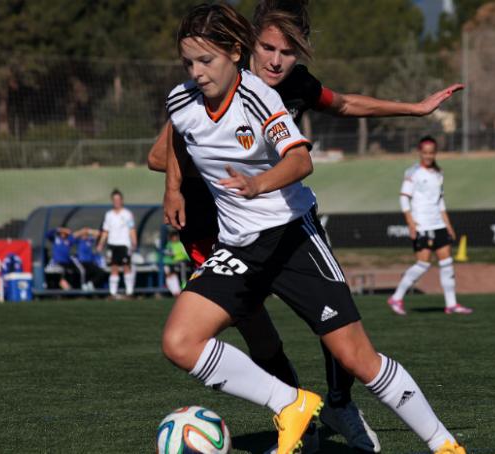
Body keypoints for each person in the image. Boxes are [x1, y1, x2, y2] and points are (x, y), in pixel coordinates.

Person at [148, 2, 464, 452]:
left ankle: (443, 443)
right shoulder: (181, 99)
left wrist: (259, 183)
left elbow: (301, 158)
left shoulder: (261, 97)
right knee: (180, 341)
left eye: (206, 60)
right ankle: (291, 403)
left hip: (292, 238)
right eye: (188, 62)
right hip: (237, 247)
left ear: (234, 53)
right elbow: (179, 137)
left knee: (357, 357)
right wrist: (173, 189)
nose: (196, 72)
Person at [388, 136, 473, 316]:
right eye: (425, 152)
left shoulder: (438, 173)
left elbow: (440, 201)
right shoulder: (413, 172)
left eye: (431, 152)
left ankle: (451, 304)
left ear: (435, 153)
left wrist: (448, 225)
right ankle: (396, 297)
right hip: (422, 225)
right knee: (423, 264)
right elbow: (404, 197)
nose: (428, 156)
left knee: (447, 262)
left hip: (438, 224)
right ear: (420, 152)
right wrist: (411, 223)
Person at [96, 189, 138, 298]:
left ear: (122, 200)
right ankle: (112, 293)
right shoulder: (109, 215)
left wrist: (134, 241)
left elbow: (131, 229)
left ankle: (129, 292)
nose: (117, 201)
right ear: (112, 201)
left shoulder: (127, 214)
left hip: (124, 244)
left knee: (126, 266)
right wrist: (101, 243)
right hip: (112, 244)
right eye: (114, 199)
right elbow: (105, 231)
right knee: (113, 267)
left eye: (118, 199)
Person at [73, 228, 106, 292]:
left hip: (90, 262)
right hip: (82, 262)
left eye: (86, 235)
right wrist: (82, 231)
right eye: (83, 235)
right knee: (85, 273)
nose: (85, 236)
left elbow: (99, 234)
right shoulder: (79, 241)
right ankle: (86, 286)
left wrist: (88, 231)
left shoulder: (89, 240)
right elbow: (73, 235)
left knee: (101, 272)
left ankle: (90, 284)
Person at [162, 230, 190, 296]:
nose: (176, 238)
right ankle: (177, 290)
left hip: (183, 262)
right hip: (172, 263)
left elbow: (186, 254)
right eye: (174, 237)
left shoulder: (181, 244)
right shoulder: (169, 245)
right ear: (171, 238)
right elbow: (168, 255)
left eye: (177, 236)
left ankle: (183, 284)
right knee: (170, 275)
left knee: (182, 266)